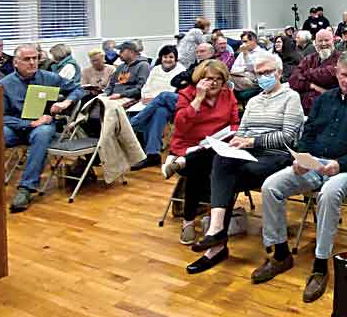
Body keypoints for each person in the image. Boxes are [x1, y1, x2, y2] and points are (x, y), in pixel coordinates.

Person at [251, 50, 347, 303]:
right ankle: (280, 253)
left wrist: (340, 164)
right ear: (336, 73)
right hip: (315, 164)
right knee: (271, 186)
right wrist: (300, 157)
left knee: (330, 193)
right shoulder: (324, 100)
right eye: (343, 75)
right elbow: (308, 133)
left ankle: (321, 264)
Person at [184, 53, 304, 273]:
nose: (263, 77)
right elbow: (243, 130)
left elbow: (289, 137)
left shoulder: (291, 97)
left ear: (278, 72)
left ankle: (217, 243)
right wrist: (236, 140)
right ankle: (217, 231)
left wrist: (252, 141)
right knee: (222, 159)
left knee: (223, 176)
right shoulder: (254, 100)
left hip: (277, 156)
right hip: (250, 154)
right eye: (259, 73)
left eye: (267, 72)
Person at [163, 60, 240, 246]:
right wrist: (198, 98)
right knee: (198, 168)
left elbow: (235, 122)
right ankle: (188, 222)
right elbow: (180, 126)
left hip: (217, 144)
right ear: (199, 80)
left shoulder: (228, 94)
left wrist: (232, 134)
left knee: (207, 161)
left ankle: (181, 164)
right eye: (208, 79)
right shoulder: (187, 94)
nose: (213, 83)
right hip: (189, 144)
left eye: (218, 79)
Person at [2, 44, 84, 213]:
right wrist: (29, 124)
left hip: (42, 128)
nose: (32, 62)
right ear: (16, 63)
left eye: (35, 58)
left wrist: (65, 102)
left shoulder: (50, 77)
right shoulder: (4, 84)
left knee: (43, 132)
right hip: (16, 127)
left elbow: (78, 89)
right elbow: (1, 116)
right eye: (27, 59)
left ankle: (26, 188)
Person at [126, 44, 182, 168]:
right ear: (161, 58)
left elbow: (172, 92)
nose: (167, 59)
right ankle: (153, 154)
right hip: (153, 104)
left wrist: (153, 99)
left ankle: (133, 124)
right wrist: (145, 96)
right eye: (165, 57)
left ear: (176, 59)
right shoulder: (156, 69)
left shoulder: (180, 70)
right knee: (159, 112)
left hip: (171, 106)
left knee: (162, 101)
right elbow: (146, 86)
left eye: (171, 57)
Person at [288, 28, 339, 114]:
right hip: (305, 110)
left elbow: (328, 77)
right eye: (320, 41)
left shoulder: (341, 58)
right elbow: (293, 81)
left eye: (326, 40)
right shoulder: (309, 59)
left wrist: (307, 73)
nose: (323, 44)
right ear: (315, 43)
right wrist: (311, 85)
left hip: (330, 108)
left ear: (333, 41)